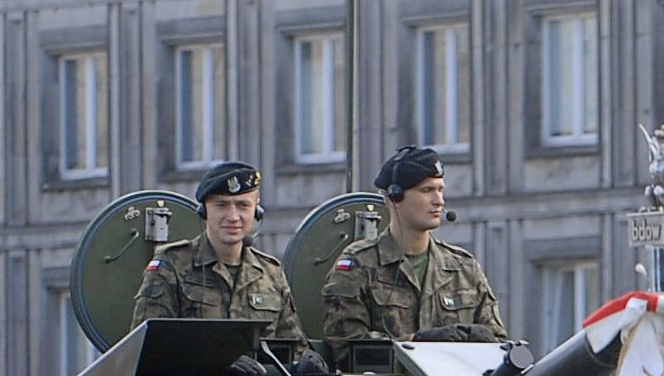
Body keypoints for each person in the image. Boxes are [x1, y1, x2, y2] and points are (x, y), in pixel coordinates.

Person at [321, 146, 506, 352]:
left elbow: (497, 345)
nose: (439, 201)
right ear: (395, 196)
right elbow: (347, 347)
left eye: (440, 189)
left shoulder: (464, 269)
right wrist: (415, 342)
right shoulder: (357, 267)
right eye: (426, 190)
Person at [135, 160, 300, 338]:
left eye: (243, 206)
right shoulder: (171, 266)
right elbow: (148, 347)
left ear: (256, 211)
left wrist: (306, 362)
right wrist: (221, 358)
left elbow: (293, 346)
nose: (233, 217)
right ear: (204, 212)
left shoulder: (271, 274)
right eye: (221, 205)